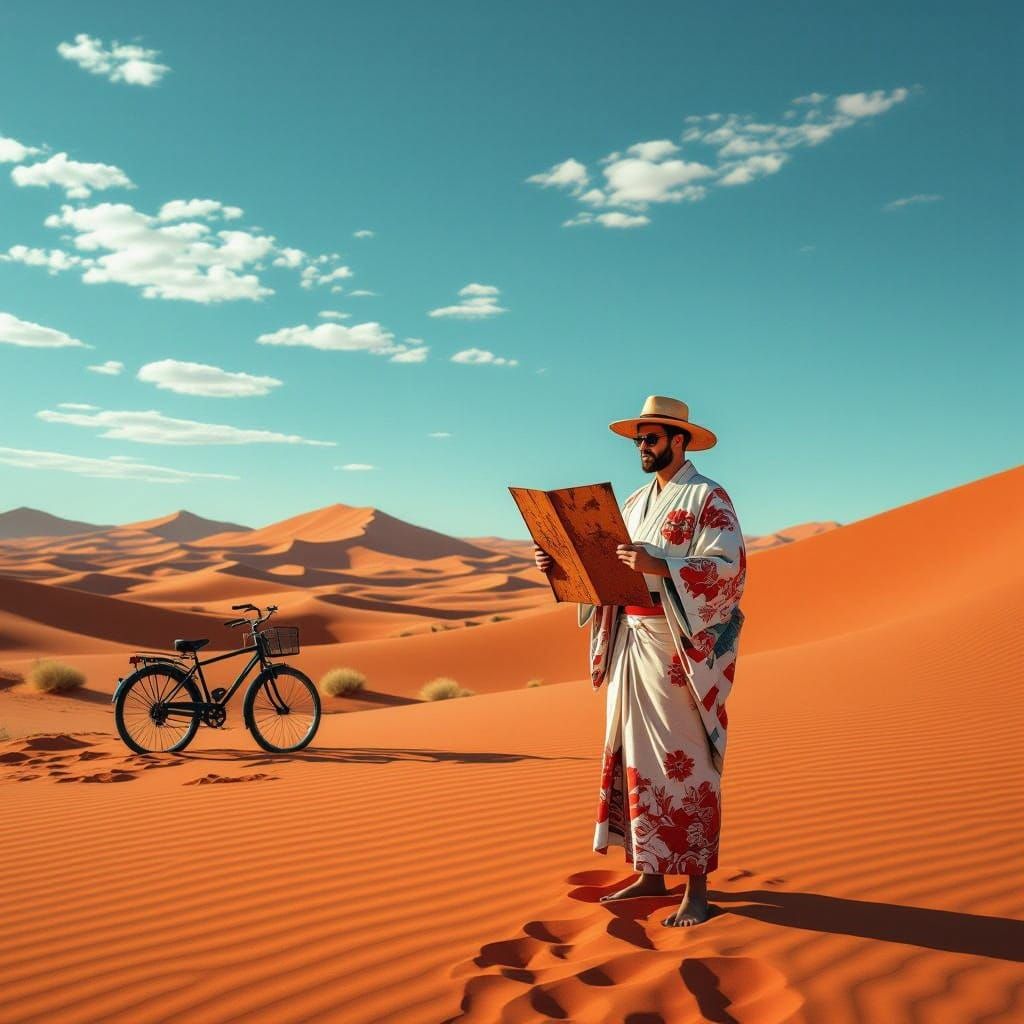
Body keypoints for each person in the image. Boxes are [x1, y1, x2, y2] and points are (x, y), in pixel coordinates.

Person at [534, 395, 746, 927]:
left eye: (650, 439)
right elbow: (604, 571)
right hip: (630, 639)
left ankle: (696, 890)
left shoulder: (709, 498)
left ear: (679, 440)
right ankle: (650, 873)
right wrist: (557, 563)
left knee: (687, 761)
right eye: (638, 441)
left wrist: (663, 563)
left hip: (677, 647)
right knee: (636, 754)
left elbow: (729, 570)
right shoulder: (631, 502)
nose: (641, 449)